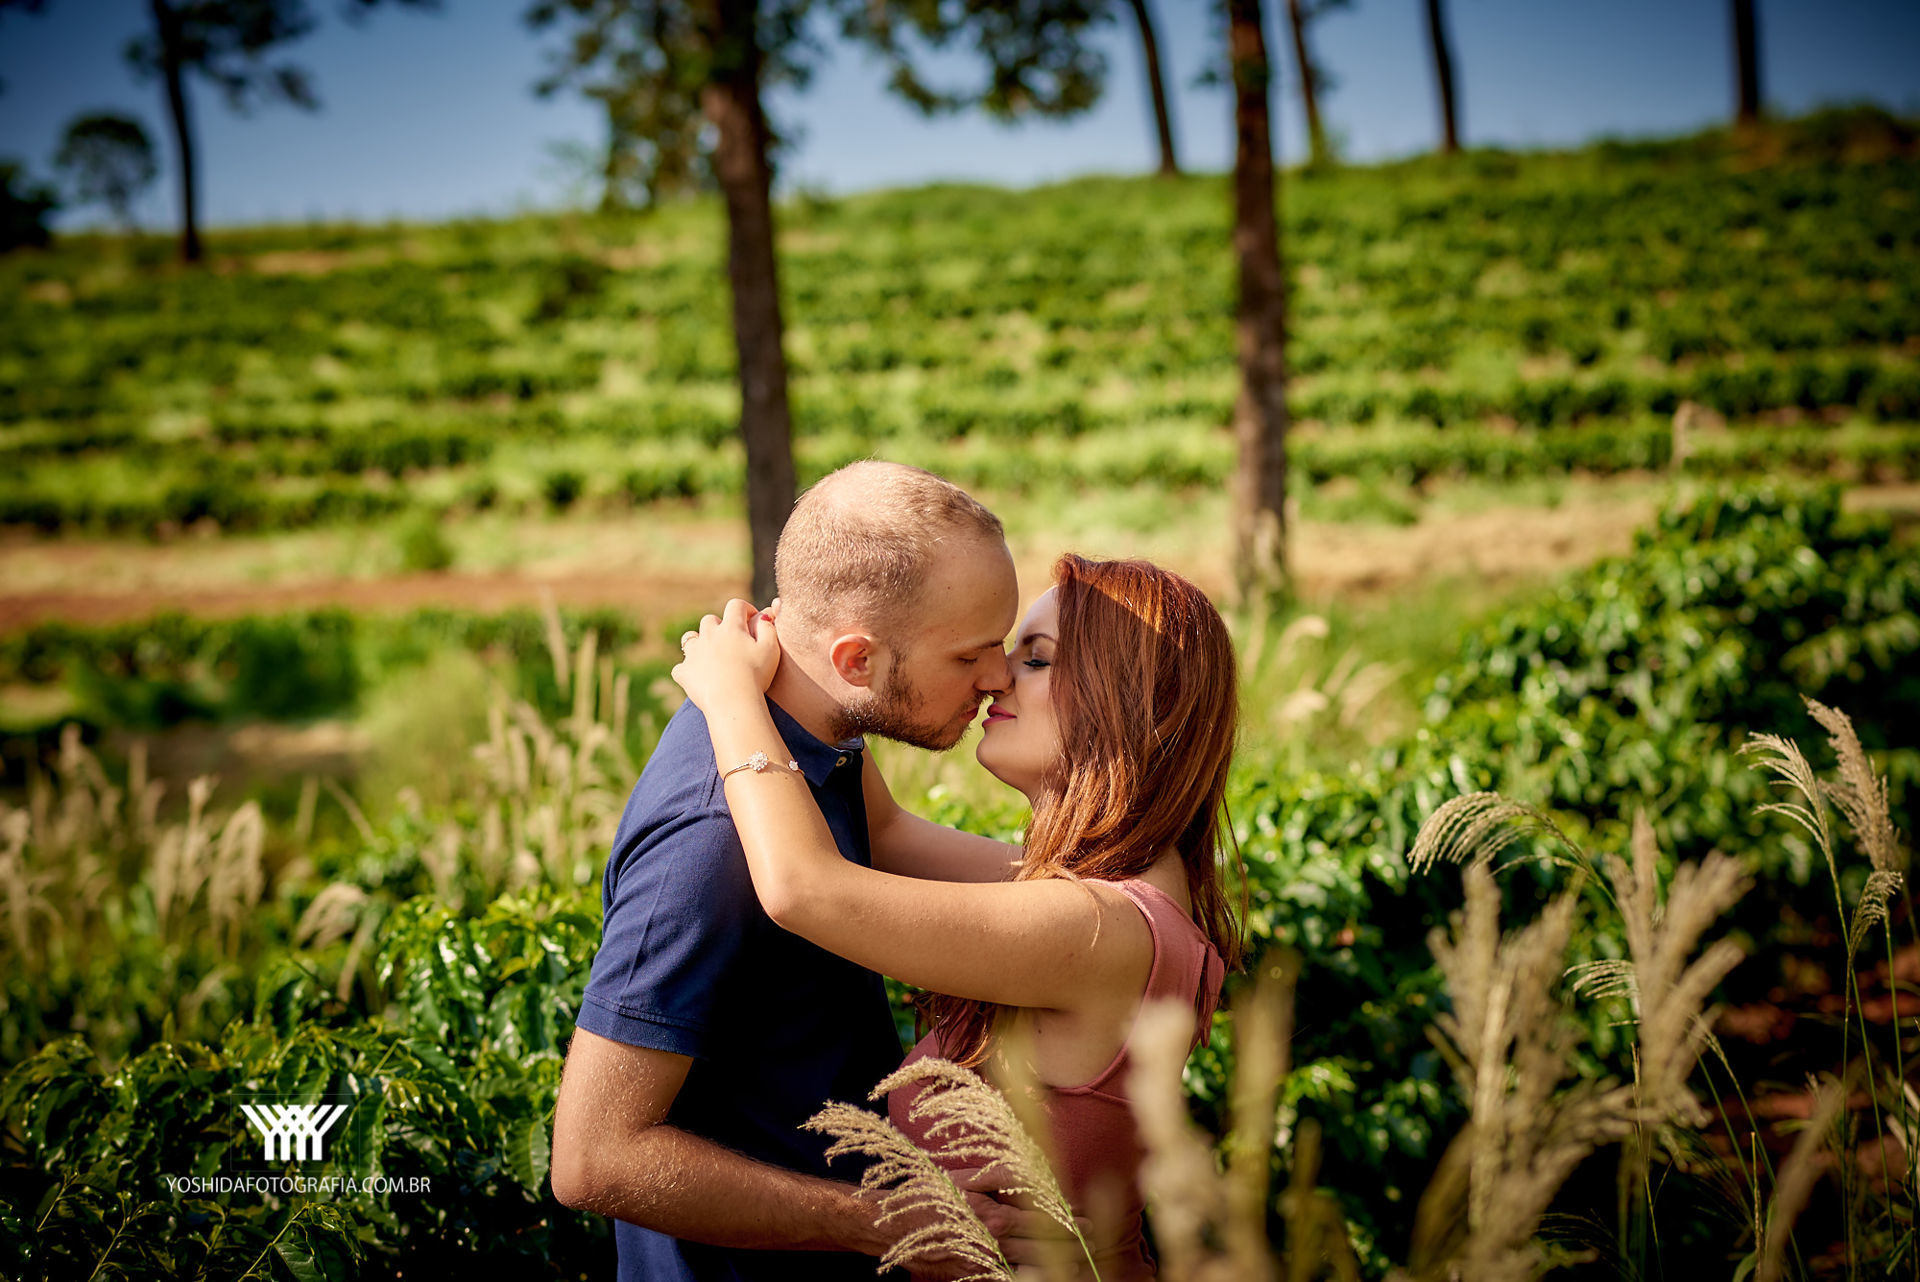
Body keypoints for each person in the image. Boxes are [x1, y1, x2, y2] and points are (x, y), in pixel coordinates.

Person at [672, 552, 1243, 1281]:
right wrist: (822, 657)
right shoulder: (1105, 889)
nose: (998, 675)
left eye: (1035, 659)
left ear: (1126, 701)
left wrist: (729, 699)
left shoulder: (1095, 927)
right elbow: (888, 831)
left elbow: (804, 890)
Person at [550, 461, 1045, 1281]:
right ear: (854, 660)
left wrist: (1111, 887)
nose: (997, 678)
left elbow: (887, 834)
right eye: (970, 656)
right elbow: (594, 1159)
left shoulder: (807, 736)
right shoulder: (709, 844)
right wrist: (880, 1224)